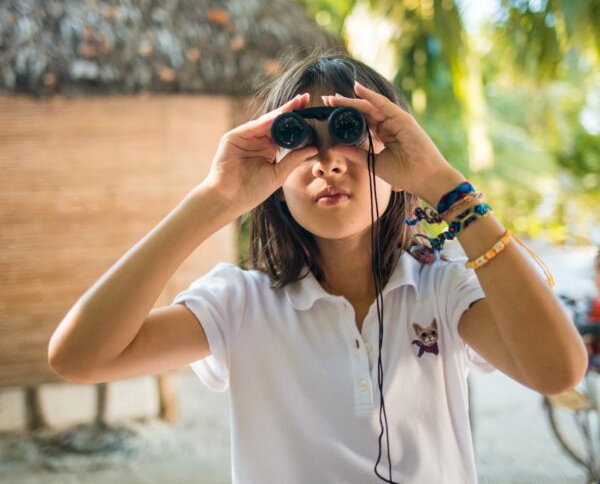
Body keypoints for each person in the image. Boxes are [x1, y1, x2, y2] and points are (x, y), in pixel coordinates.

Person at [48, 51, 588, 484]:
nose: (328, 162)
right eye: (301, 140)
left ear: (395, 157)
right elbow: (78, 357)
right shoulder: (239, 304)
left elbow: (558, 370)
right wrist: (215, 198)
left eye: (350, 134)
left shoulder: (442, 293)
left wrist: (444, 183)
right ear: (278, 183)